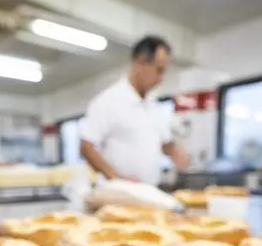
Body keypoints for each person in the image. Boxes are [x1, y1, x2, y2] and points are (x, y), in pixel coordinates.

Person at [79, 35, 188, 185]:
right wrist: (115, 177)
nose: (161, 78)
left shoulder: (153, 104)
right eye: (159, 70)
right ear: (141, 62)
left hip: (150, 192)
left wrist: (174, 150)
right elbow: (86, 147)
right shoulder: (109, 101)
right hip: (118, 196)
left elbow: (162, 142)